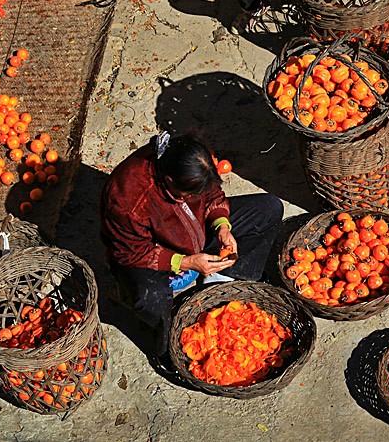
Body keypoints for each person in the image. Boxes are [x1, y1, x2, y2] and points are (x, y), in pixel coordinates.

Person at [100, 132, 283, 357]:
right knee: (150, 299)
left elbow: (213, 194)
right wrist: (185, 261)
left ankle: (223, 279)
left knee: (269, 208)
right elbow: (131, 253)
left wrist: (222, 226)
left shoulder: (191, 158)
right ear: (169, 181)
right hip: (150, 249)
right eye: (190, 193)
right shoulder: (129, 201)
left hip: (191, 230)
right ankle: (166, 346)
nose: (197, 194)